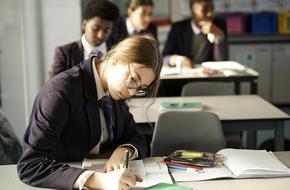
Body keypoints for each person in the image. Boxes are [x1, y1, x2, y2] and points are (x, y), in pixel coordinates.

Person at [17, 34, 162, 190]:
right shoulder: (59, 92)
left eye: (141, 88)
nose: (133, 91)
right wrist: (98, 181)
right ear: (116, 58)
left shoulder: (116, 89)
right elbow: (30, 165)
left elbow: (137, 138)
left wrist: (124, 151)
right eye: (134, 79)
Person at [48, 0, 120, 79]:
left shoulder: (118, 51)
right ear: (84, 25)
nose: (100, 35)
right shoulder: (65, 53)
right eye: (96, 29)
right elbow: (53, 87)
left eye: (106, 31)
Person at [163, 0, 228, 68]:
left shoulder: (219, 25)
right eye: (204, 10)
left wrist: (218, 36)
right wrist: (177, 60)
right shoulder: (178, 28)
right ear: (192, 12)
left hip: (209, 75)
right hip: (185, 74)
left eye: (212, 9)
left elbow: (222, 60)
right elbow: (165, 57)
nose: (210, 14)